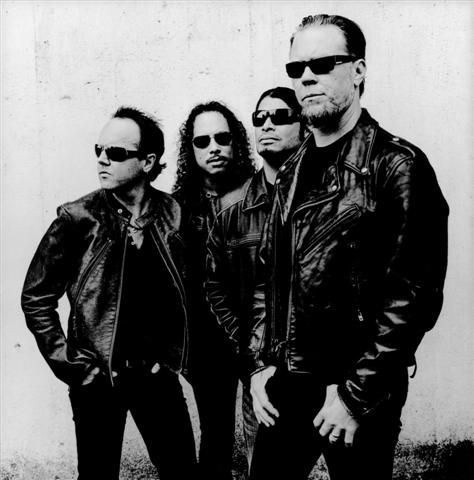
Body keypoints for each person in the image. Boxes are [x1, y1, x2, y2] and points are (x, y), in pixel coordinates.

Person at [248, 14, 449, 480]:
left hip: (357, 389)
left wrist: (356, 395)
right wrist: (260, 365)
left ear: (358, 70)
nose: (306, 77)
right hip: (287, 382)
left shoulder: (396, 166)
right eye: (296, 68)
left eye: (323, 64)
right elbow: (268, 275)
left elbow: (412, 297)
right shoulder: (291, 170)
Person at [21, 106, 196, 480]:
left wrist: (171, 358)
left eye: (116, 153)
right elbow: (36, 296)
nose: (102, 159)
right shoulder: (77, 217)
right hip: (98, 378)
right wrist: (72, 365)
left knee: (182, 471)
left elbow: (190, 291)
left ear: (148, 162)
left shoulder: (173, 213)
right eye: (98, 150)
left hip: (155, 375)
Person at [205, 87, 304, 472]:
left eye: (280, 117)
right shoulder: (230, 208)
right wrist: (252, 355)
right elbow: (216, 288)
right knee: (263, 468)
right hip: (262, 371)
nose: (267, 125)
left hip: (323, 369)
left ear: (304, 125)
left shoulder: (329, 198)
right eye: (259, 118)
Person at [173, 101, 255, 480]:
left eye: (223, 138)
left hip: (258, 335)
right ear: (190, 150)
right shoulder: (176, 210)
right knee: (216, 438)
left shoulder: (260, 196)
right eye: (202, 141)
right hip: (206, 346)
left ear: (237, 142)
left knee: (269, 438)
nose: (214, 148)